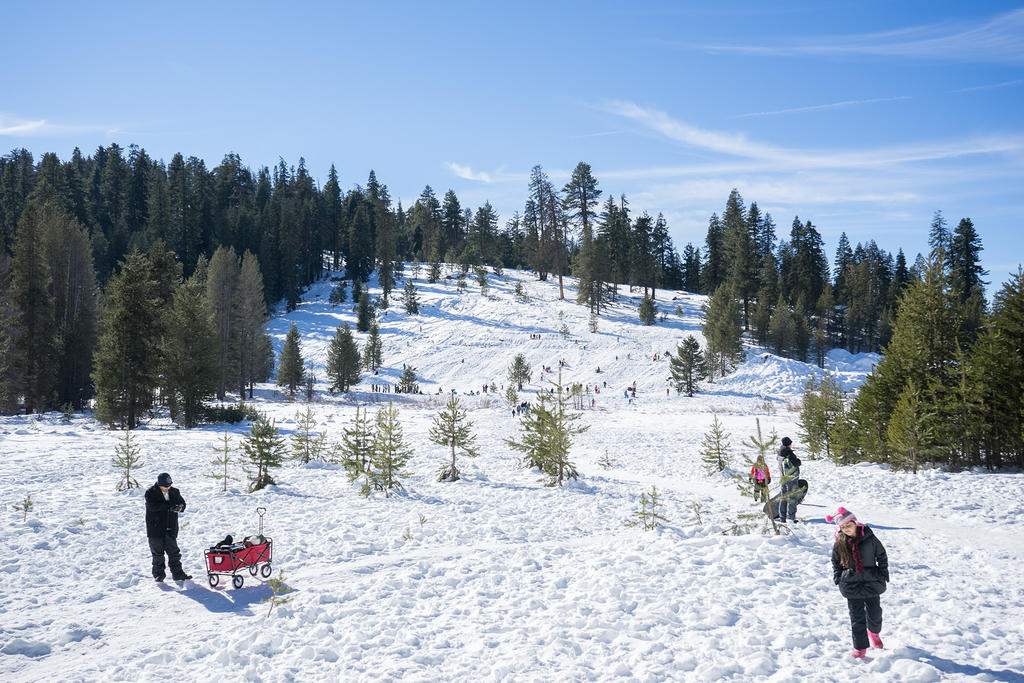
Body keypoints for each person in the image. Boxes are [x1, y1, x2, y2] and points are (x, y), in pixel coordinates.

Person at [827, 507, 889, 658]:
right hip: (851, 583)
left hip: (871, 581)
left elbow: (881, 555)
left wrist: (882, 574)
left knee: (875, 614)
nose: (846, 529)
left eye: (849, 525)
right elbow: (835, 562)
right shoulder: (840, 542)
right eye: (843, 527)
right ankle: (860, 648)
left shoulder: (869, 538)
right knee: (857, 617)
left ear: (855, 522)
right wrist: (839, 577)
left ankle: (874, 633)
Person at [145, 472, 191, 582]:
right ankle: (158, 574)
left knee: (174, 552)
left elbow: (183, 504)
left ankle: (178, 574)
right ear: (159, 484)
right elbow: (153, 507)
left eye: (169, 485)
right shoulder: (150, 493)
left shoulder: (175, 491)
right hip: (155, 529)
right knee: (157, 554)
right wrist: (169, 506)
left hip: (170, 527)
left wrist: (180, 507)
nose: (168, 488)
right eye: (165, 486)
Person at [776, 436, 801, 522]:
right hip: (791, 478)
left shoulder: (780, 453)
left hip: (783, 478)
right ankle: (791, 518)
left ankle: (782, 517)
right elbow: (796, 463)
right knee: (792, 498)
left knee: (783, 497)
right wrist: (798, 461)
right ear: (788, 444)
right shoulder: (789, 453)